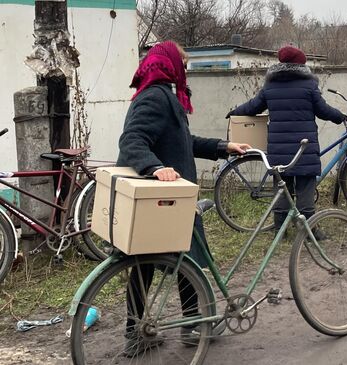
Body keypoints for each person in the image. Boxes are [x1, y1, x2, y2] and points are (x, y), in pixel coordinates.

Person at [116, 40, 250, 356]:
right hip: (167, 198)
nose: (184, 71)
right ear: (171, 66)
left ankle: (136, 334)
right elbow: (132, 141)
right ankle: (191, 324)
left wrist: (222, 146)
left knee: (147, 265)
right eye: (183, 64)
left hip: (163, 198)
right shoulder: (157, 97)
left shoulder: (161, 94)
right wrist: (156, 167)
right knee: (184, 257)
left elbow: (182, 140)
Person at [227, 45, 346, 234]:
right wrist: (341, 116)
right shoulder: (308, 85)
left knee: (282, 186)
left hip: (279, 147)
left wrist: (235, 112)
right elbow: (323, 110)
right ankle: (309, 231)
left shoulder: (271, 85)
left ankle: (280, 230)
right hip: (303, 147)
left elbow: (253, 107)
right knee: (305, 185)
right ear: (300, 64)